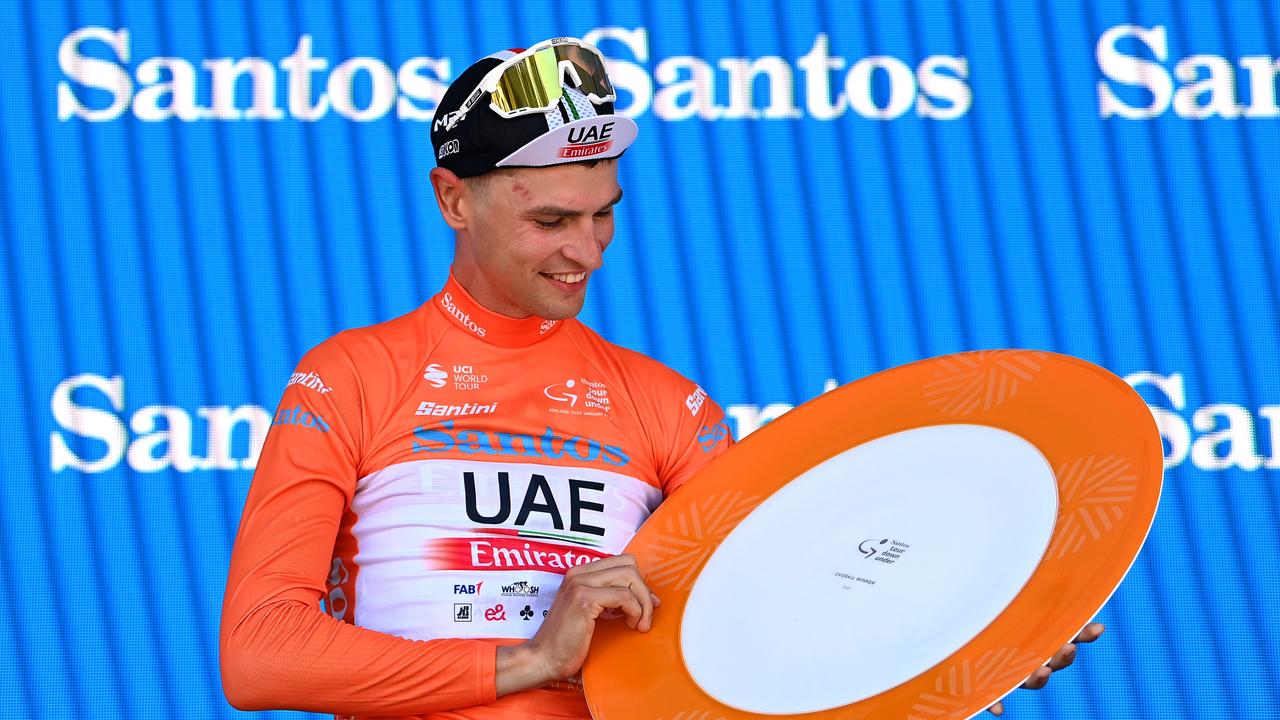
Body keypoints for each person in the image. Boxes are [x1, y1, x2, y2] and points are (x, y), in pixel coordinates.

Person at [220, 37, 1099, 720]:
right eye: (551, 219)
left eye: (605, 216)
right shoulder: (351, 376)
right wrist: (526, 661)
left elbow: (774, 628)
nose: (585, 251)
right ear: (453, 199)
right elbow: (258, 655)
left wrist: (980, 622)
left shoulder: (667, 406)